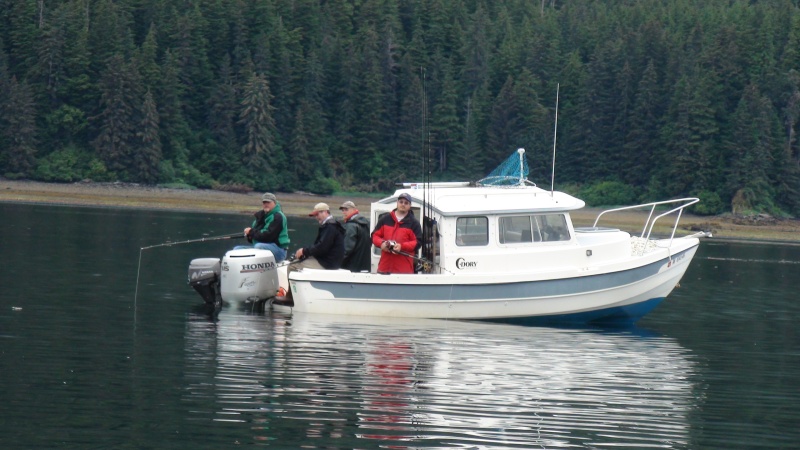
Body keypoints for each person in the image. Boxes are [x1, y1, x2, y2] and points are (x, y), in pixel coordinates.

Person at [370, 193, 422, 274]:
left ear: (410, 205)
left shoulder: (414, 223)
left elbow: (417, 243)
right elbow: (374, 236)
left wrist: (401, 246)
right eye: (401, 202)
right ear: (397, 203)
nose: (403, 204)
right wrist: (382, 244)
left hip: (404, 270)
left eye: (406, 203)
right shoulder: (385, 219)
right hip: (384, 268)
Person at [234, 192, 290, 262]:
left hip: (279, 251)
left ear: (274, 203)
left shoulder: (278, 217)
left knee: (259, 246)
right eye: (264, 203)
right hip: (262, 247)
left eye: (268, 202)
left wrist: (251, 232)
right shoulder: (260, 217)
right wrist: (250, 236)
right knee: (237, 249)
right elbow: (256, 237)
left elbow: (267, 236)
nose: (266, 204)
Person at [292, 202, 345, 271]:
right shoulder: (331, 225)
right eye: (315, 215)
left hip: (328, 263)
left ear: (325, 212)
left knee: (293, 266)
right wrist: (305, 252)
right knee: (297, 260)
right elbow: (320, 247)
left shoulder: (330, 227)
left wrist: (304, 251)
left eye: (317, 214)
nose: (316, 217)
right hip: (328, 261)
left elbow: (322, 247)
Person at [339, 201, 372, 272]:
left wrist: (337, 262)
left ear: (354, 209)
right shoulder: (366, 224)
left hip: (352, 267)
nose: (344, 212)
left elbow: (347, 248)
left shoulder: (351, 225)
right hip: (364, 265)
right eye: (343, 210)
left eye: (346, 210)